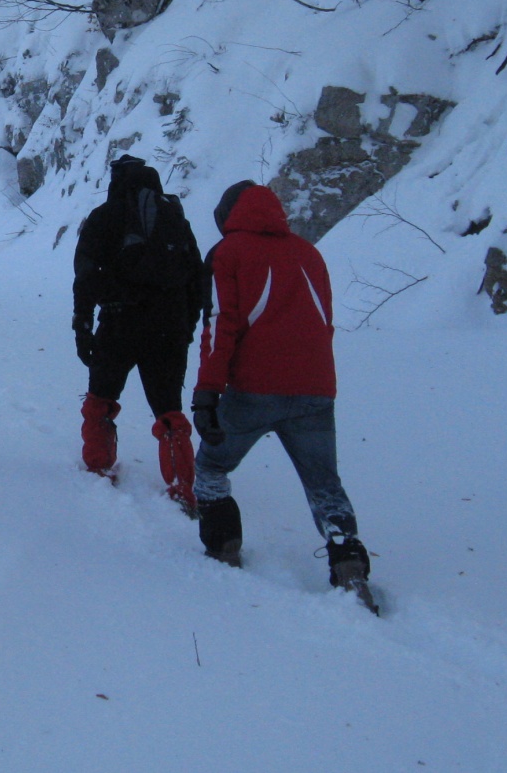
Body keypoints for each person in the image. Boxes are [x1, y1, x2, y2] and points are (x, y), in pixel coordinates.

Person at [189, 180, 372, 596]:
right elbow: (322, 320)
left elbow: (221, 325)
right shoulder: (309, 252)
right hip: (316, 388)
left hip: (254, 387)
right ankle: (349, 566)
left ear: (227, 217)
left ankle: (224, 549)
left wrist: (206, 393)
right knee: (324, 485)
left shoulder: (228, 253)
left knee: (213, 468)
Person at [72, 155, 206, 510]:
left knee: (101, 399)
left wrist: (82, 326)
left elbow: (86, 276)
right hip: (169, 327)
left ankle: (99, 467)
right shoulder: (175, 219)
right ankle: (182, 487)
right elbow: (196, 279)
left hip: (119, 323)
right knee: (169, 410)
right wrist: (186, 327)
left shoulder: (105, 216)